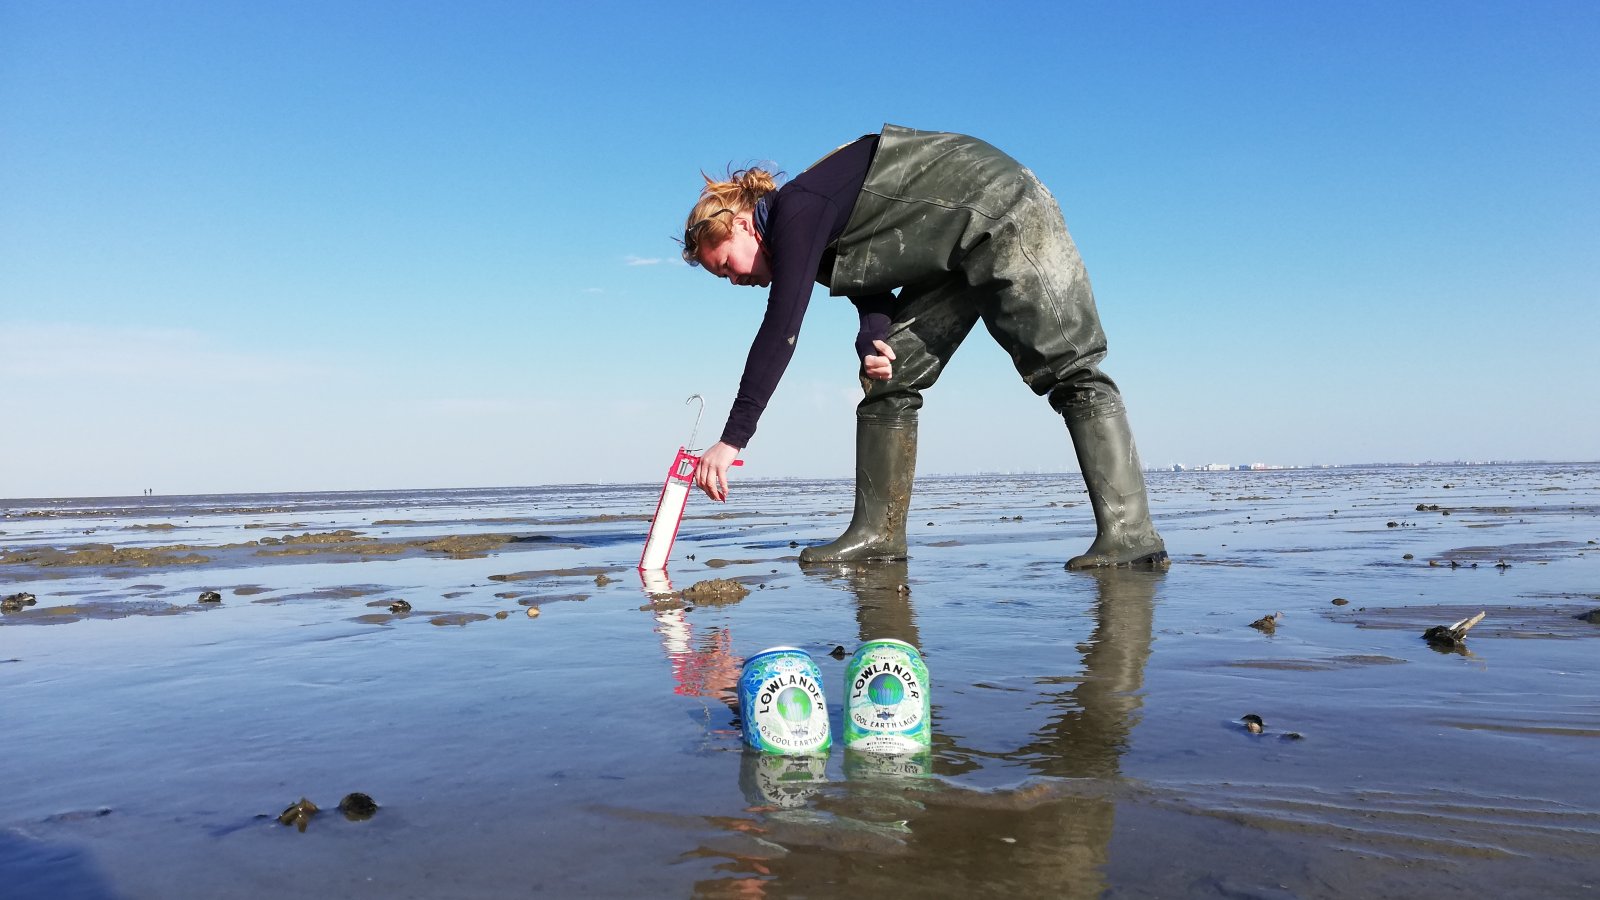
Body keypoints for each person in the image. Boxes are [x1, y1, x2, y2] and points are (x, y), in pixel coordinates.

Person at [680, 124, 1167, 570]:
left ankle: (1131, 534)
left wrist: (733, 439)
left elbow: (781, 327)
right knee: (890, 376)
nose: (735, 280)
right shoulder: (808, 231)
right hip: (952, 255)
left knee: (1069, 367)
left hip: (1001, 207)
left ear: (742, 225)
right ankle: (878, 535)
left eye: (725, 266)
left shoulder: (798, 209)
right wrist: (872, 338)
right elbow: (870, 296)